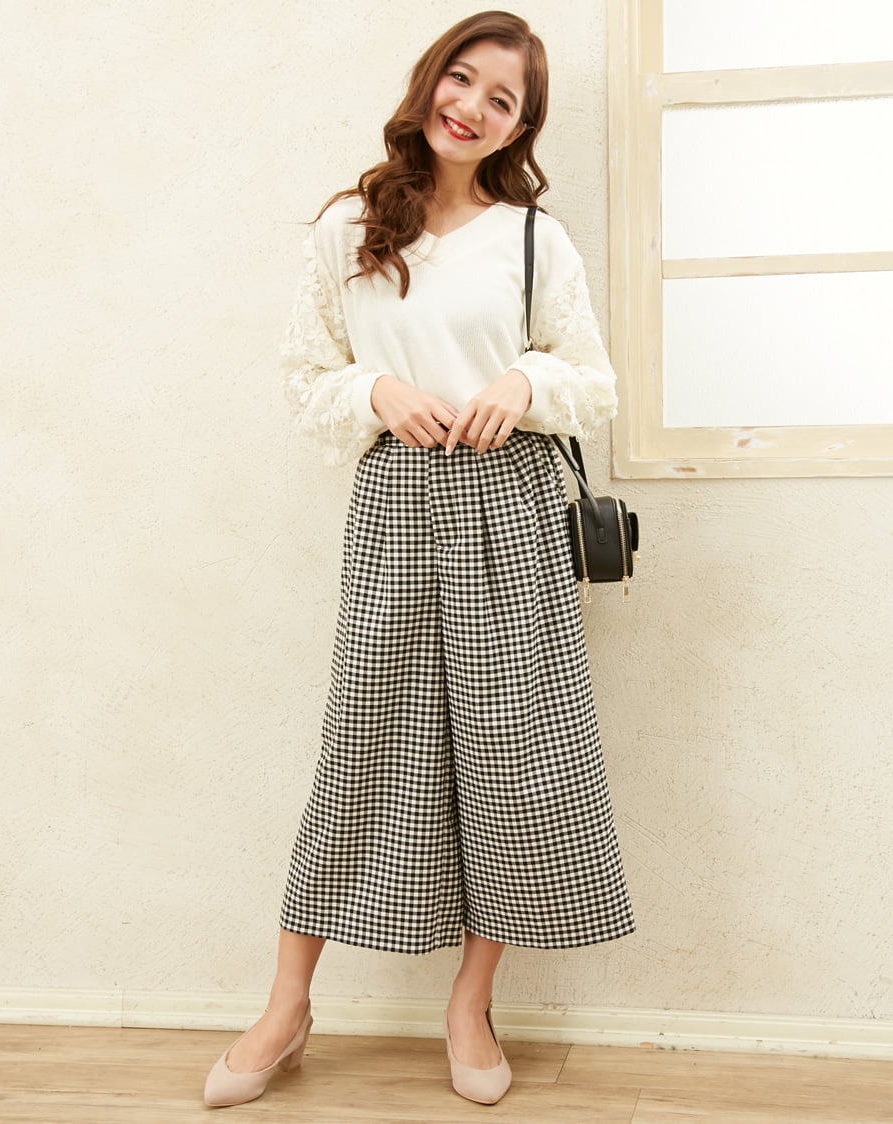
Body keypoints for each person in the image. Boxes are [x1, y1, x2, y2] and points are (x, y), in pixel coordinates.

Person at [204, 9, 634, 1109]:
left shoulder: (534, 240)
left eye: (503, 100)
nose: (473, 107)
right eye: (463, 78)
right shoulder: (349, 227)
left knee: (514, 755)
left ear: (520, 128)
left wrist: (524, 382)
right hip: (396, 501)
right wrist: (376, 390)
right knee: (364, 743)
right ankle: (287, 1004)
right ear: (430, 78)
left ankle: (469, 1005)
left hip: (514, 505)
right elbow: (306, 377)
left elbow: (593, 380)